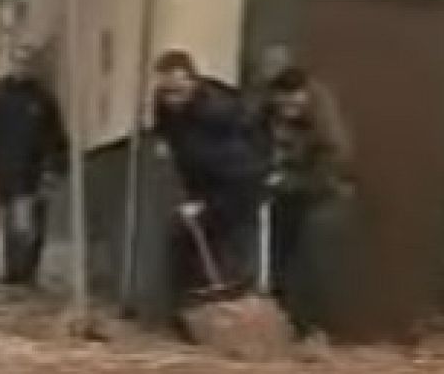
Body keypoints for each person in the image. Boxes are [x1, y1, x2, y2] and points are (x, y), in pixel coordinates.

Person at [151, 50, 266, 311]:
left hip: (235, 188)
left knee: (224, 249)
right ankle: (190, 308)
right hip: (201, 185)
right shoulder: (166, 108)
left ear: (192, 82)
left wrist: (205, 201)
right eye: (166, 91)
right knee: (186, 241)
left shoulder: (218, 112)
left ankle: (233, 306)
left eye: (177, 91)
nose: (171, 99)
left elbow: (235, 166)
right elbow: (171, 140)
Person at [258, 65, 353, 341]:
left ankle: (313, 324)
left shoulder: (325, 124)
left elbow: (332, 165)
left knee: (309, 260)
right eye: (283, 102)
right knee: (278, 258)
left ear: (305, 96)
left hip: (317, 195)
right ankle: (283, 320)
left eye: (294, 102)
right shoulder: (264, 113)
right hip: (280, 195)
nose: (288, 108)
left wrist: (290, 181)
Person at [0, 43, 67, 287]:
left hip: (27, 175)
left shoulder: (43, 100)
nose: (23, 66)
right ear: (10, 64)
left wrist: (52, 168)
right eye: (19, 61)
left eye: (28, 62)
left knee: (23, 228)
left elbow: (55, 137)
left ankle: (20, 274)